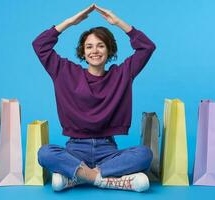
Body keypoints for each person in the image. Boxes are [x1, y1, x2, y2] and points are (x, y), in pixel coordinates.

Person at [32, 4, 156, 192]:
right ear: (83, 52)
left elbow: (147, 47)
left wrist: (118, 22)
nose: (94, 51)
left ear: (109, 50)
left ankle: (77, 177)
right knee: (44, 153)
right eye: (89, 46)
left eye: (100, 45)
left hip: (108, 151)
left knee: (145, 154)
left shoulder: (122, 74)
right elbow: (39, 45)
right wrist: (69, 23)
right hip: (75, 150)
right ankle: (105, 179)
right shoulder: (64, 72)